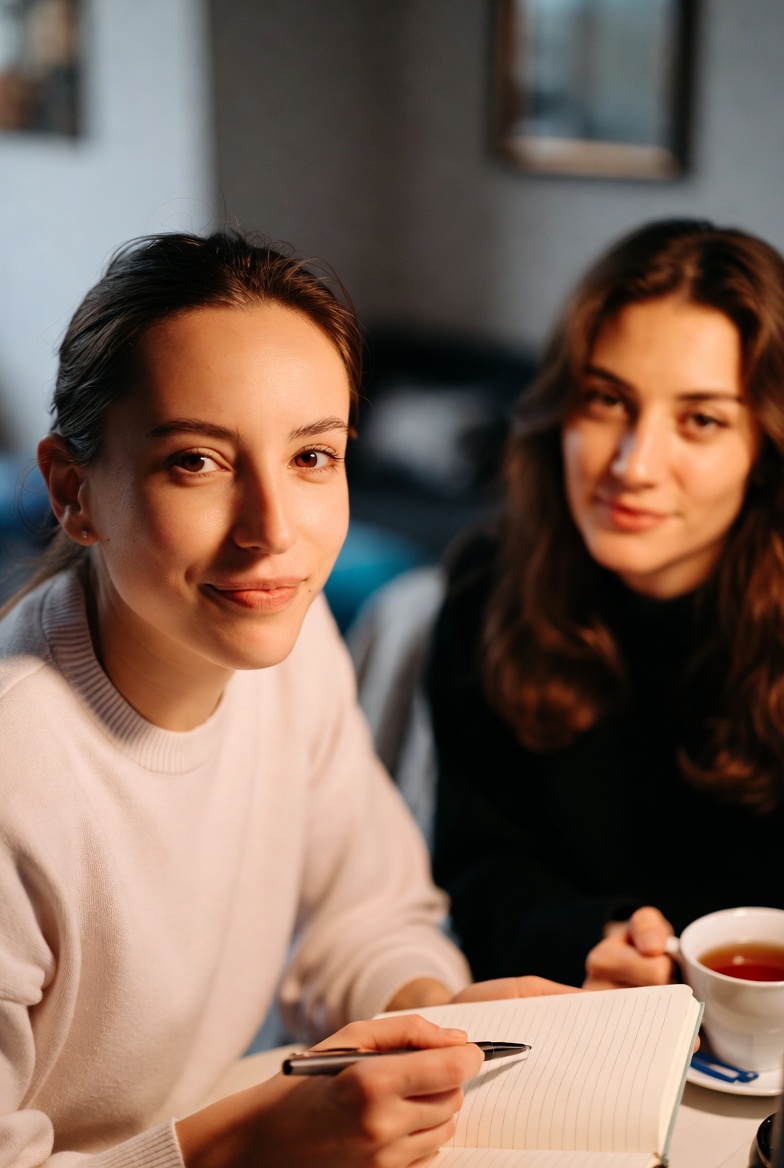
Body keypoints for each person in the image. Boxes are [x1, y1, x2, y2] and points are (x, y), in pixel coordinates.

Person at [0, 230, 568, 1168]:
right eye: (197, 461)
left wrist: (430, 1008)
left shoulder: (292, 661)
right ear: (73, 491)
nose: (273, 534)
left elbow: (364, 912)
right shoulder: (21, 773)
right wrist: (248, 1143)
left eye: (313, 457)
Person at [427, 217, 784, 993]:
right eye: (607, 401)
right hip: (572, 1020)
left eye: (701, 420)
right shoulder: (487, 592)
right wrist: (593, 937)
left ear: (764, 450)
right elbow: (478, 867)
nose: (635, 463)